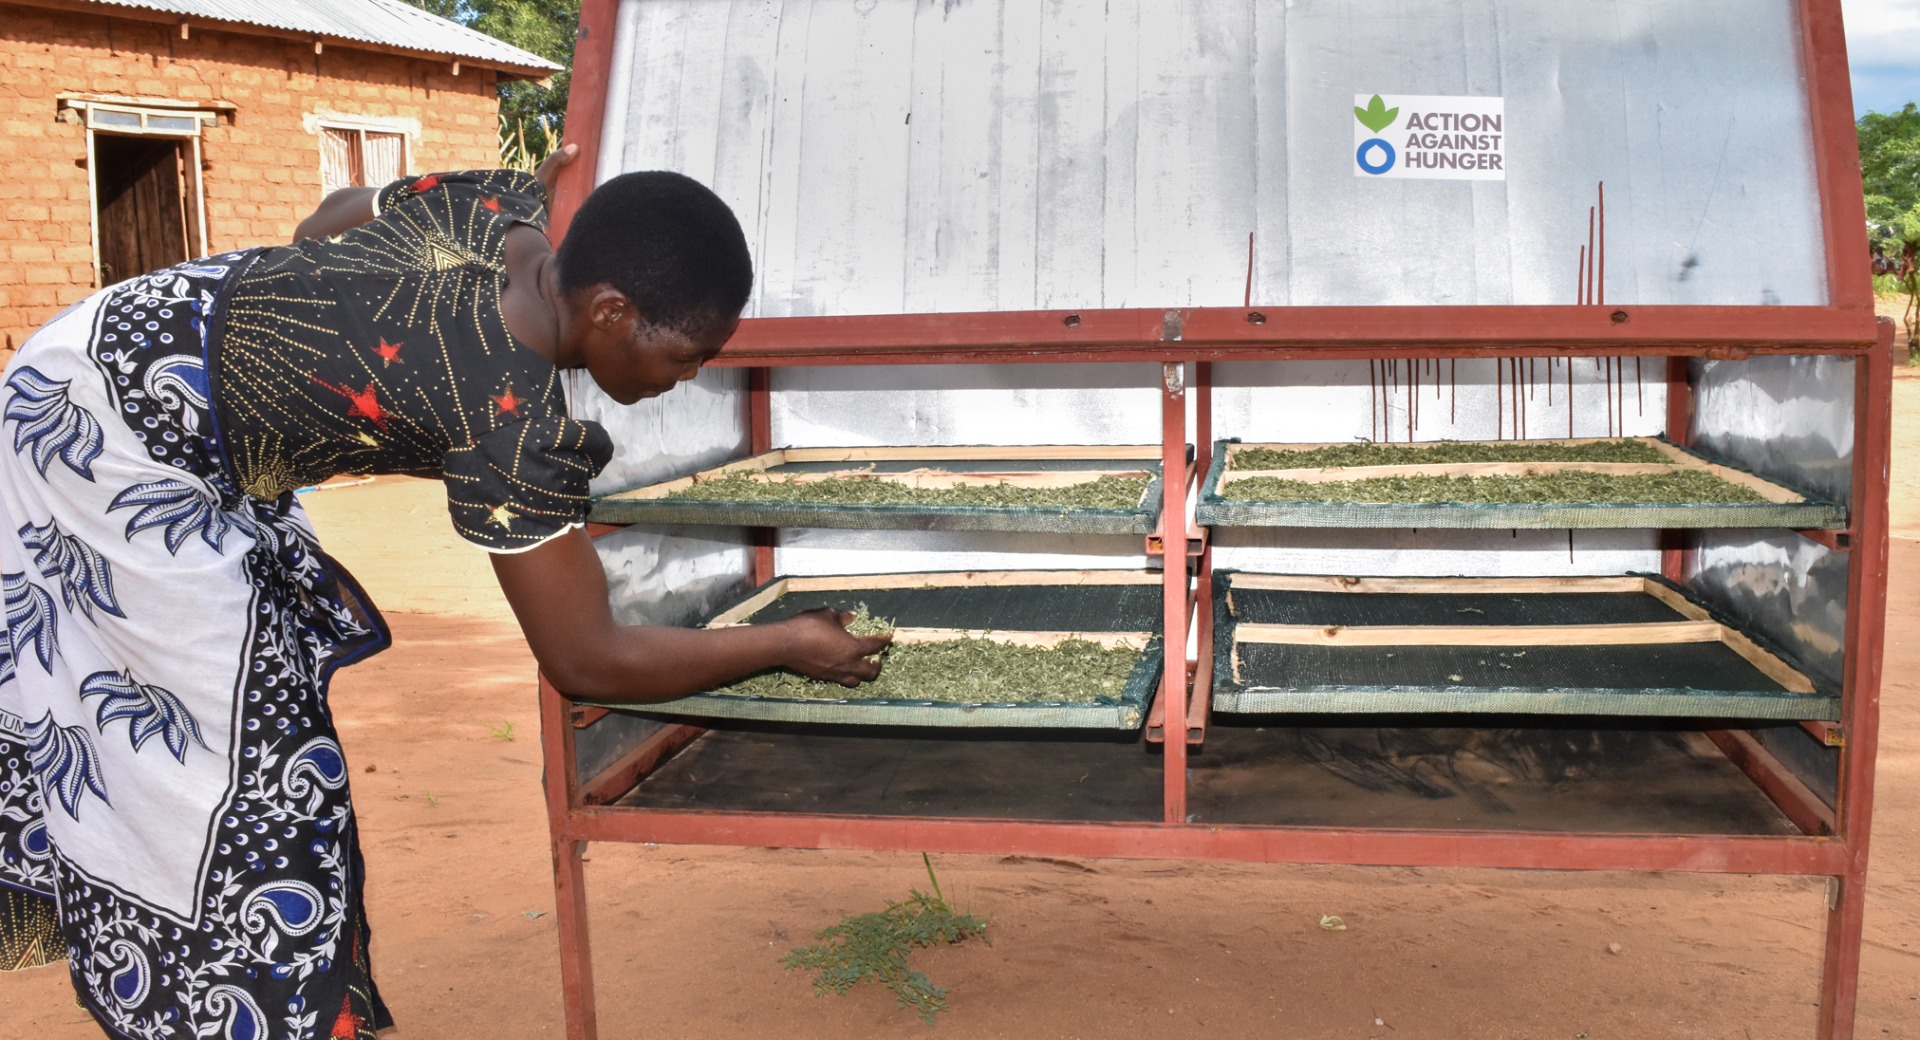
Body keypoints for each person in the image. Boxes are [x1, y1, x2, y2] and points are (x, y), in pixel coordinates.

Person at [0, 145, 889, 1039]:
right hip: (104, 439)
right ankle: (237, 1011)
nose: (689, 376)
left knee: (266, 688)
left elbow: (325, 218)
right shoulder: (507, 421)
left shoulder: (495, 209)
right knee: (247, 779)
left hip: (119, 331)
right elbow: (589, 660)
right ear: (611, 311)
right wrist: (788, 642)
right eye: (688, 356)